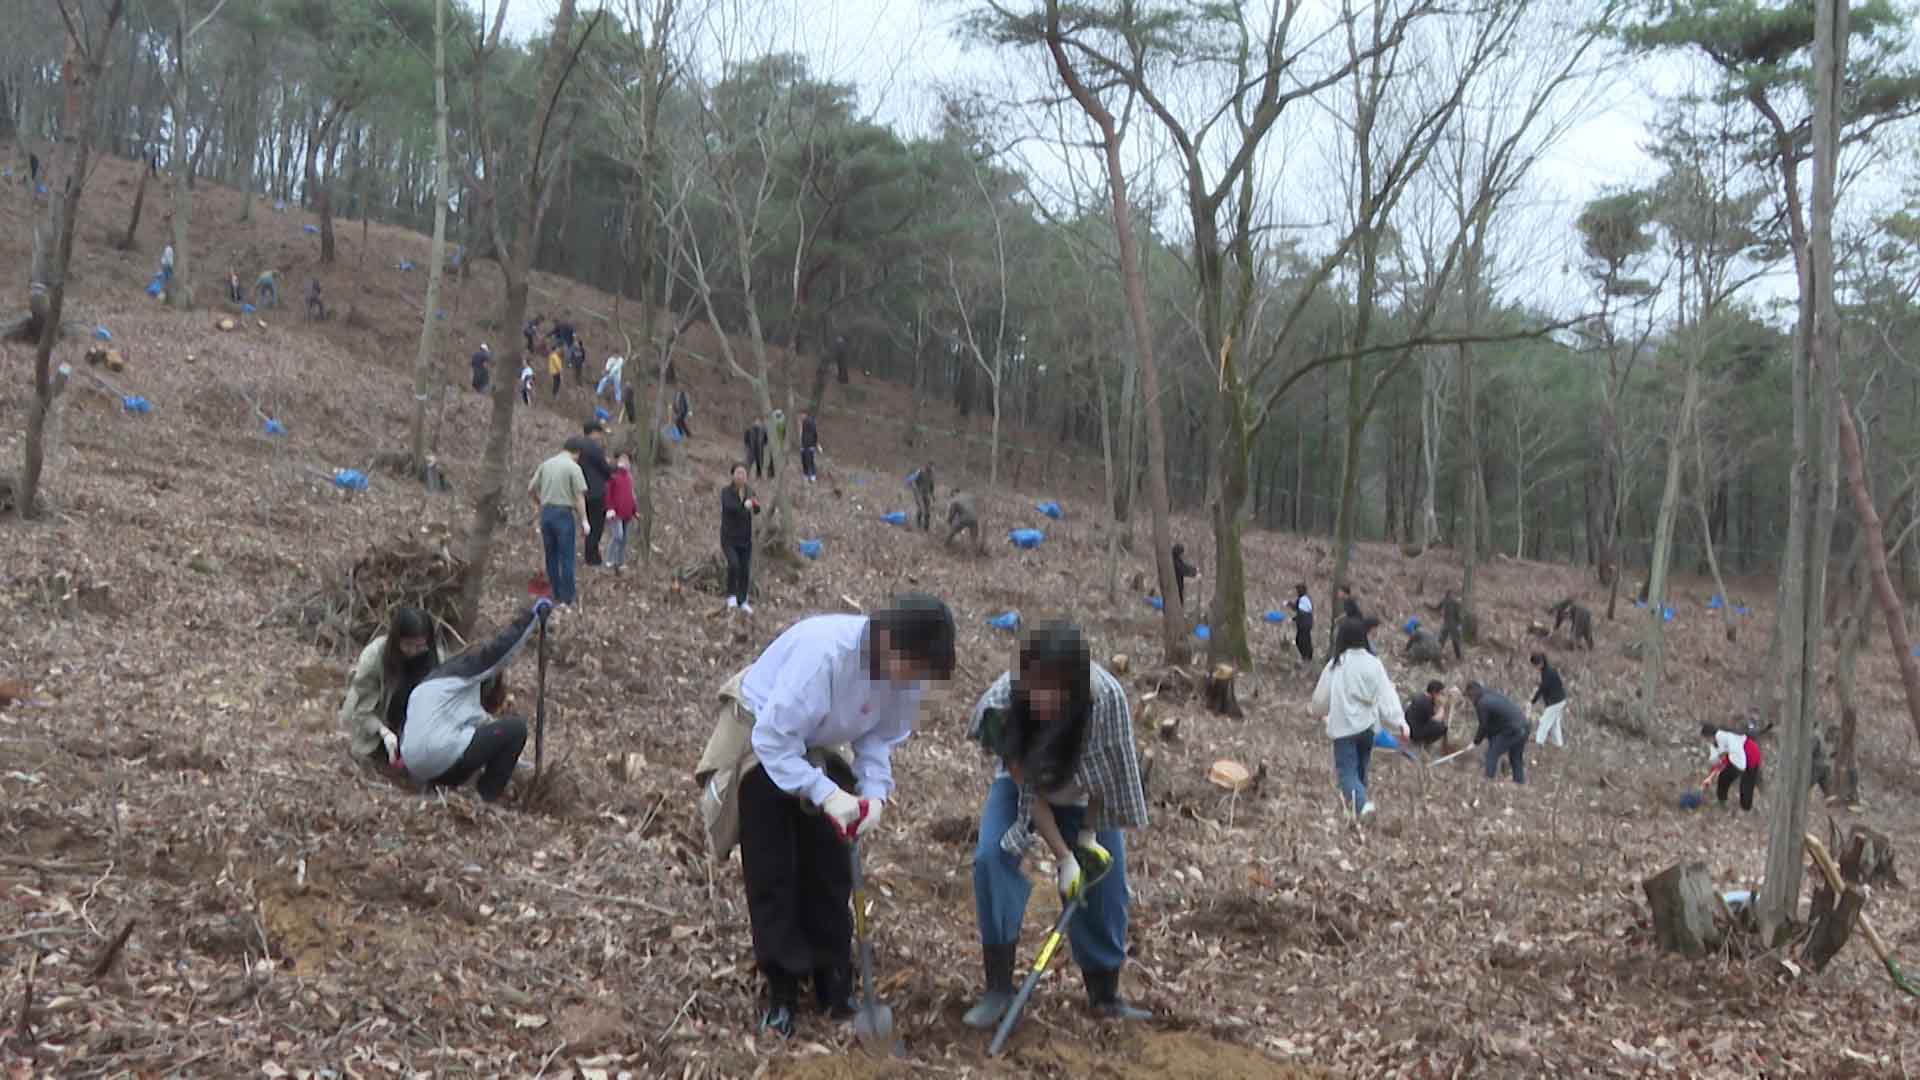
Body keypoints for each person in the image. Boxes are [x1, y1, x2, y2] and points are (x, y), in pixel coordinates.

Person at [729, 594, 956, 1036]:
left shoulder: (905, 678)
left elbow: (877, 738)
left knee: (832, 864)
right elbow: (773, 740)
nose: (915, 681)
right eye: (914, 667)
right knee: (773, 866)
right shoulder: (825, 657)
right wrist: (824, 792)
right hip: (763, 735)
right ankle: (783, 988)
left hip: (824, 740)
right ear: (890, 642)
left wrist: (873, 794)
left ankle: (833, 979)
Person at [965, 620, 1151, 1030]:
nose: (1042, 701)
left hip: (1085, 792)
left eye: (1054, 691)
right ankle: (998, 988)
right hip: (1026, 789)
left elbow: (1110, 774)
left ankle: (1104, 993)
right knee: (992, 858)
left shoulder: (1106, 700)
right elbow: (1026, 788)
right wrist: (1064, 857)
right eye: (1034, 689)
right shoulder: (1001, 705)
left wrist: (1087, 837)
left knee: (1105, 883)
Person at [402, 601, 549, 803]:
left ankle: (439, 789)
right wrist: (530, 618)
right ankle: (485, 798)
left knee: (472, 745)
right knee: (516, 729)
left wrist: (522, 767)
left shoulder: (431, 687)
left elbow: (487, 736)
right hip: (438, 755)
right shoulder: (467, 671)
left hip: (416, 766)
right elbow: (497, 652)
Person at [1311, 617, 1408, 816]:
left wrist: (1317, 711)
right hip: (1368, 728)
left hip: (1344, 729)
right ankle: (1358, 811)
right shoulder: (1374, 664)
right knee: (1360, 771)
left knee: (1347, 773)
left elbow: (1321, 698)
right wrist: (1400, 721)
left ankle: (1362, 807)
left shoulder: (1337, 664)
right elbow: (1387, 695)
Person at [339, 607, 446, 770]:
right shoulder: (374, 656)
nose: (413, 651)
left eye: (419, 646)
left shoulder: (436, 658)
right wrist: (384, 732)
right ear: (396, 639)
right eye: (408, 645)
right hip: (375, 719)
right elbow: (361, 711)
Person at [527, 440, 589, 606]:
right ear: (577, 453)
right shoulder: (573, 468)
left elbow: (530, 488)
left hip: (546, 514)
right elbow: (579, 497)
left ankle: (555, 593)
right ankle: (568, 598)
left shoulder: (546, 464)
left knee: (551, 555)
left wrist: (540, 503)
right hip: (563, 514)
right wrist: (584, 520)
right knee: (566, 557)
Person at [1465, 681, 1529, 785]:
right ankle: (1519, 783)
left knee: (1491, 753)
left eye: (1469, 697)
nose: (1470, 701)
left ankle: (1487, 782)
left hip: (1512, 729)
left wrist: (1475, 742)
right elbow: (1494, 723)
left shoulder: (1482, 703)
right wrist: (1486, 737)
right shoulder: (1491, 695)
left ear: (1472, 694)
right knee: (1516, 756)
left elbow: (1483, 725)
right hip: (1525, 725)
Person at [573, 421, 614, 568]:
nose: (600, 436)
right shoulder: (595, 447)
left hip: (581, 490)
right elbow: (604, 468)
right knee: (597, 525)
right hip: (596, 491)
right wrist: (612, 469)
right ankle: (592, 557)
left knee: (587, 522)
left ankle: (590, 554)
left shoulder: (576, 446)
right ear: (594, 432)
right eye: (599, 433)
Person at [721, 463, 761, 612]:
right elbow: (730, 507)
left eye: (743, 473)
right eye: (738, 473)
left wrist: (755, 504)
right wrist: (745, 505)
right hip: (729, 537)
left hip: (745, 538)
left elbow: (757, 510)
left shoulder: (750, 491)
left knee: (745, 569)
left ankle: (742, 600)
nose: (740, 476)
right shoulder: (726, 492)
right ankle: (731, 596)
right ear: (733, 475)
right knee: (734, 565)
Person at [1704, 723, 1762, 811]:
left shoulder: (1726, 738)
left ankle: (1745, 807)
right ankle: (1722, 800)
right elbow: (1725, 758)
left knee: (1746, 786)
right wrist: (1710, 776)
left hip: (1751, 760)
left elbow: (1730, 757)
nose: (1708, 741)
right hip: (1742, 757)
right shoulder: (1723, 739)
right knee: (1724, 777)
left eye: (1708, 738)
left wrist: (1712, 775)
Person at [604, 452, 637, 575]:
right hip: (616, 513)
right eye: (623, 461)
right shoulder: (613, 476)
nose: (626, 463)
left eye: (627, 461)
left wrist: (635, 510)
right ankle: (609, 559)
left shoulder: (629, 478)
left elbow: (631, 496)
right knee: (618, 535)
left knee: (624, 539)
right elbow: (608, 494)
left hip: (627, 512)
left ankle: (620, 561)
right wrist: (609, 508)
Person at [1530, 652, 1568, 747]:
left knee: (1544, 721)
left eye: (1536, 665)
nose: (1535, 668)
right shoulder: (1547, 671)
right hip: (1559, 700)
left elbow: (1542, 689)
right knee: (1555, 723)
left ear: (1541, 663)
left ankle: (1539, 742)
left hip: (1556, 701)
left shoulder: (1548, 673)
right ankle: (1558, 744)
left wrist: (1533, 701)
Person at [1405, 680, 1451, 753]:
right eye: (1441, 693)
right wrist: (1442, 706)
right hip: (1413, 733)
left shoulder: (1421, 696)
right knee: (1443, 728)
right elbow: (1436, 719)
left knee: (1437, 724)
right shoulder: (1426, 704)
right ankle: (1421, 743)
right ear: (1434, 693)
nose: (1441, 696)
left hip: (1408, 726)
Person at [1430, 590, 1465, 660]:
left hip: (1446, 624)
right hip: (1453, 625)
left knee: (1441, 641)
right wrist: (1460, 624)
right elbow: (1458, 615)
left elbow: (1436, 608)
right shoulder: (1456, 603)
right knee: (1455, 641)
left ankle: (1436, 654)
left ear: (1446, 595)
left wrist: (1428, 606)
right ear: (1452, 595)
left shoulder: (1444, 601)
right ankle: (1458, 657)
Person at [1288, 584, 1315, 664]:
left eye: (1297, 590)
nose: (1296, 592)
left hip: (1304, 624)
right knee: (1304, 640)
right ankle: (1307, 656)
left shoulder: (1303, 600)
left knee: (1302, 641)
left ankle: (1306, 657)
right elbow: (1297, 608)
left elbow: (1302, 612)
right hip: (1305, 623)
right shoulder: (1303, 599)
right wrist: (1290, 604)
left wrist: (1294, 619)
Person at [911, 463, 936, 531]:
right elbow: (914, 482)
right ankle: (918, 525)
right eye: (931, 467)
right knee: (921, 510)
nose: (932, 468)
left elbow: (931, 487)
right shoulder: (921, 472)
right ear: (928, 466)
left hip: (926, 494)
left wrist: (933, 496)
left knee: (928, 512)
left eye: (933, 467)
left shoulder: (931, 476)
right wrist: (916, 490)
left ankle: (926, 528)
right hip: (919, 493)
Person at [800, 411, 820, 483]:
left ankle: (812, 476)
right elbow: (804, 435)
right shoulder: (804, 422)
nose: (801, 416)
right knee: (806, 461)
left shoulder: (809, 422)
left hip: (808, 446)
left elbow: (814, 434)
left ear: (805, 414)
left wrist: (813, 445)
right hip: (805, 446)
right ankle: (807, 476)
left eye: (801, 415)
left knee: (809, 462)